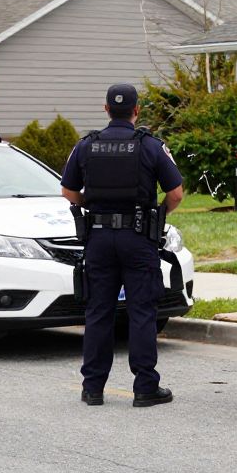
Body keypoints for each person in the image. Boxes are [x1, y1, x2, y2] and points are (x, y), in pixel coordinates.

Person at [61, 83, 184, 407]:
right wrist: (156, 215)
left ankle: (92, 389)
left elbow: (69, 192)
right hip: (138, 237)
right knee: (142, 311)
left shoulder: (86, 145)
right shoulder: (151, 146)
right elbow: (176, 194)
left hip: (99, 238)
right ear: (136, 110)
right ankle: (145, 387)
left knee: (98, 311)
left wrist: (95, 203)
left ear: (105, 109)